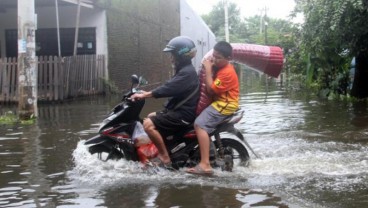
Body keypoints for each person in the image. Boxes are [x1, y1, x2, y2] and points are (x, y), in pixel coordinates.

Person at [131, 36, 199, 167]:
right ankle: (169, 147)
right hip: (180, 110)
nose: (171, 58)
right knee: (151, 116)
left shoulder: (187, 73)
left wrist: (146, 94)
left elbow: (169, 88)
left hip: (184, 114)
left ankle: (164, 156)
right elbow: (169, 85)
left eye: (172, 54)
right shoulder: (184, 70)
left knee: (148, 125)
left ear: (181, 55)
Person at [186, 41, 239, 176]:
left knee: (200, 124)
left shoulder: (227, 72)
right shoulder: (221, 68)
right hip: (220, 102)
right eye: (214, 56)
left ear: (228, 59)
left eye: (218, 57)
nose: (214, 59)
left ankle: (205, 164)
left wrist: (208, 69)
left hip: (225, 105)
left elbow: (210, 90)